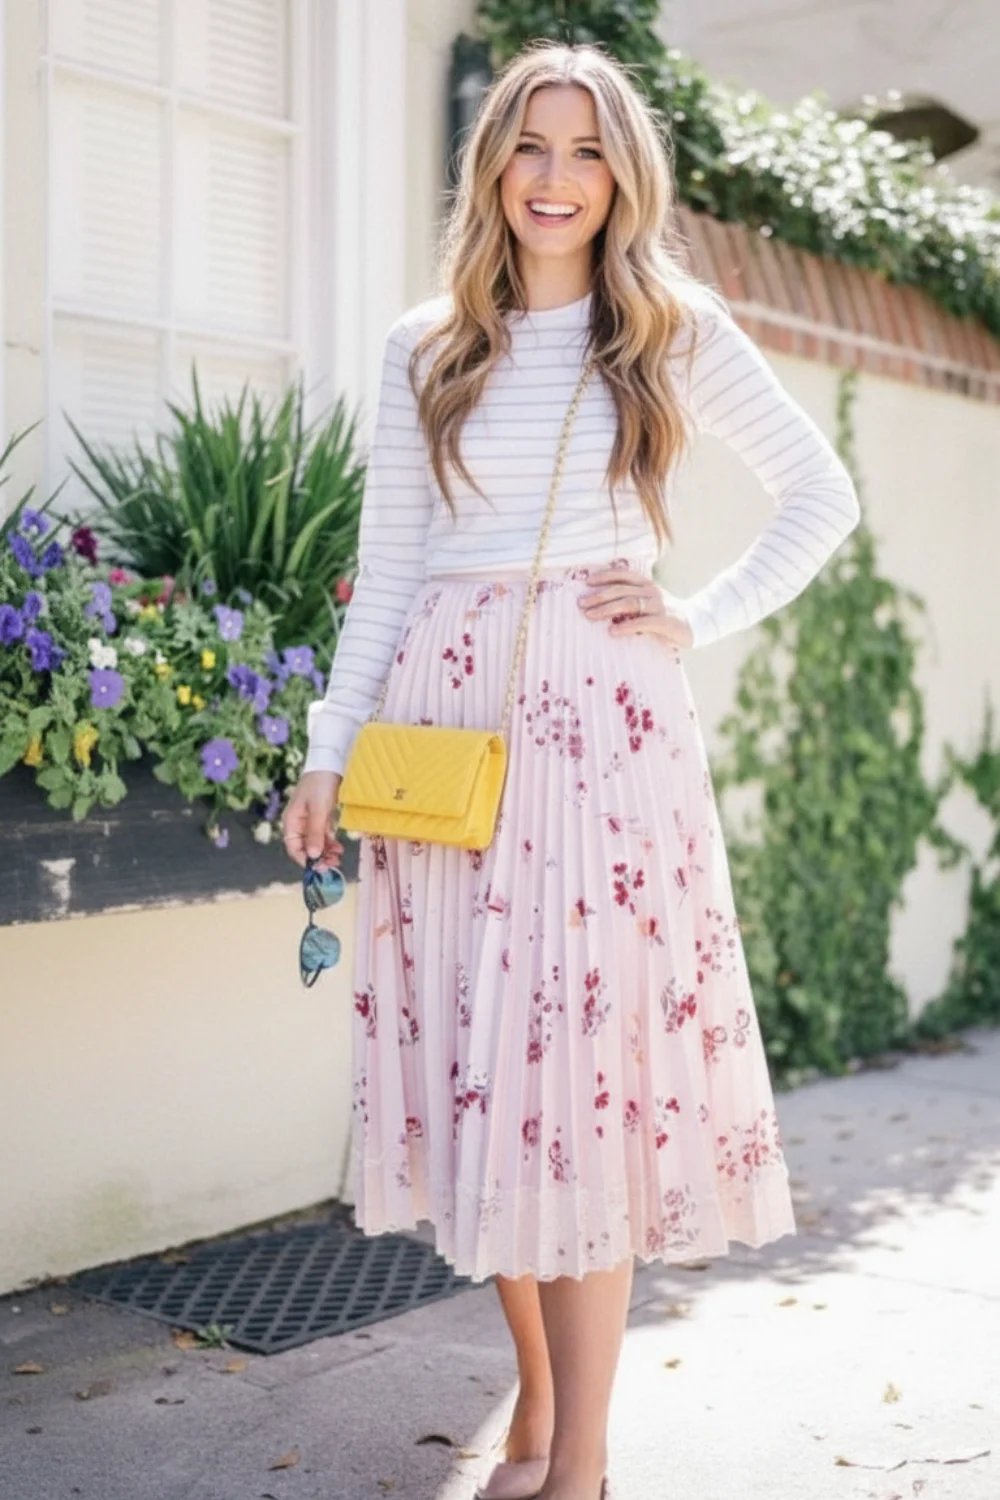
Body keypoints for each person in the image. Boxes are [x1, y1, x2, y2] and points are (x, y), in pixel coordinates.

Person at [282, 39, 860, 1500]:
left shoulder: (666, 325)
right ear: (493, 167)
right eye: (529, 147)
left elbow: (819, 493)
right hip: (446, 741)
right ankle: (535, 1411)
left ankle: (582, 1468)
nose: (554, 178)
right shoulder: (430, 344)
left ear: (623, 176)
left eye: (585, 151)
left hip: (604, 742)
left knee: (575, 1088)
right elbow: (392, 570)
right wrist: (324, 757)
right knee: (486, 1081)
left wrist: (693, 614)